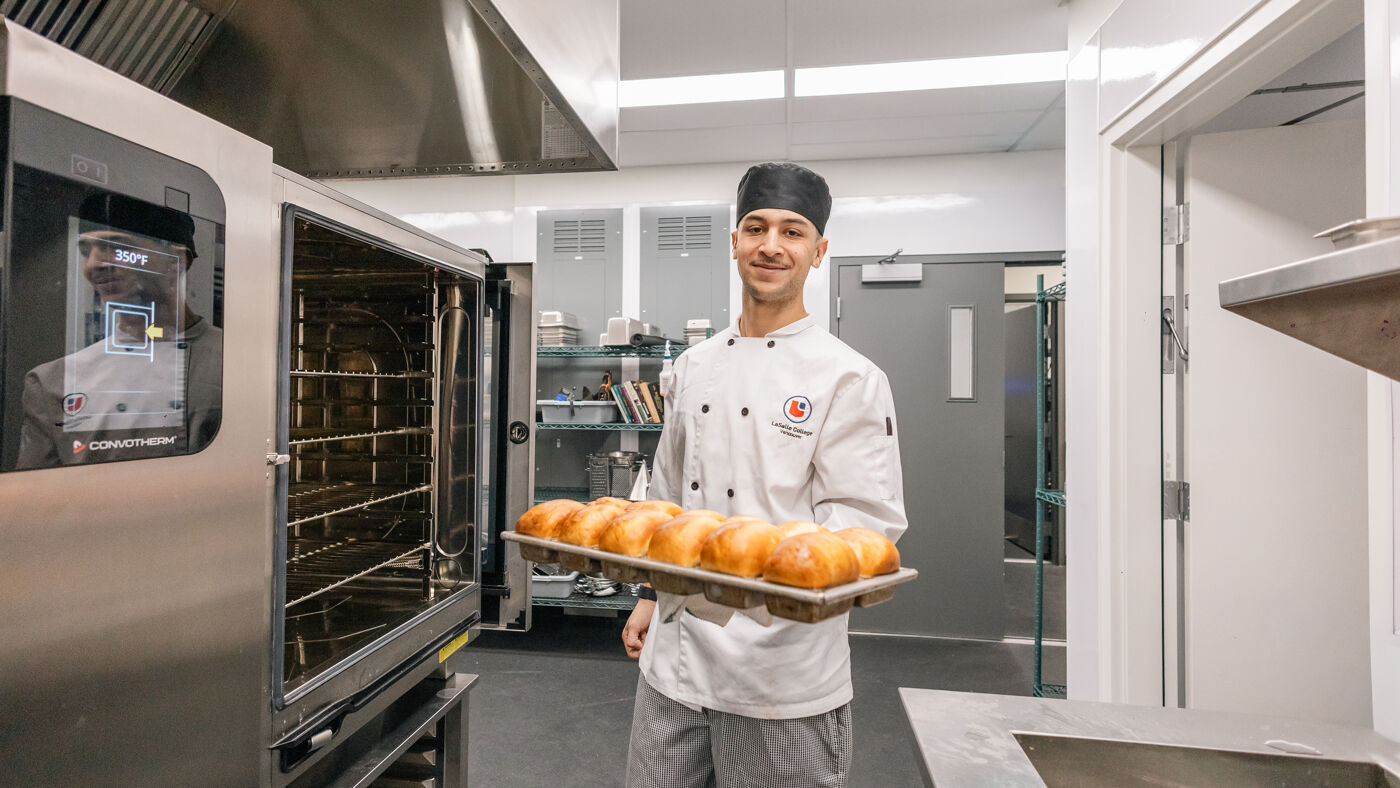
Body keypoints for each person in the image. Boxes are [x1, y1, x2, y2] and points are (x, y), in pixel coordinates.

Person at [622, 162, 907, 788]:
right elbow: (668, 498)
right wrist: (648, 594)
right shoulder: (691, 367)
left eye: (792, 231)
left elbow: (864, 526)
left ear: (818, 251)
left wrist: (760, 586)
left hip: (782, 669)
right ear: (735, 243)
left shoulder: (848, 378)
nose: (771, 245)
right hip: (675, 660)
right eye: (755, 228)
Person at [15, 194, 221, 468]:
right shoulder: (53, 382)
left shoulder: (240, 361)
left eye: (116, 247)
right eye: (86, 251)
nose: (94, 265)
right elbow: (39, 498)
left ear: (176, 261)